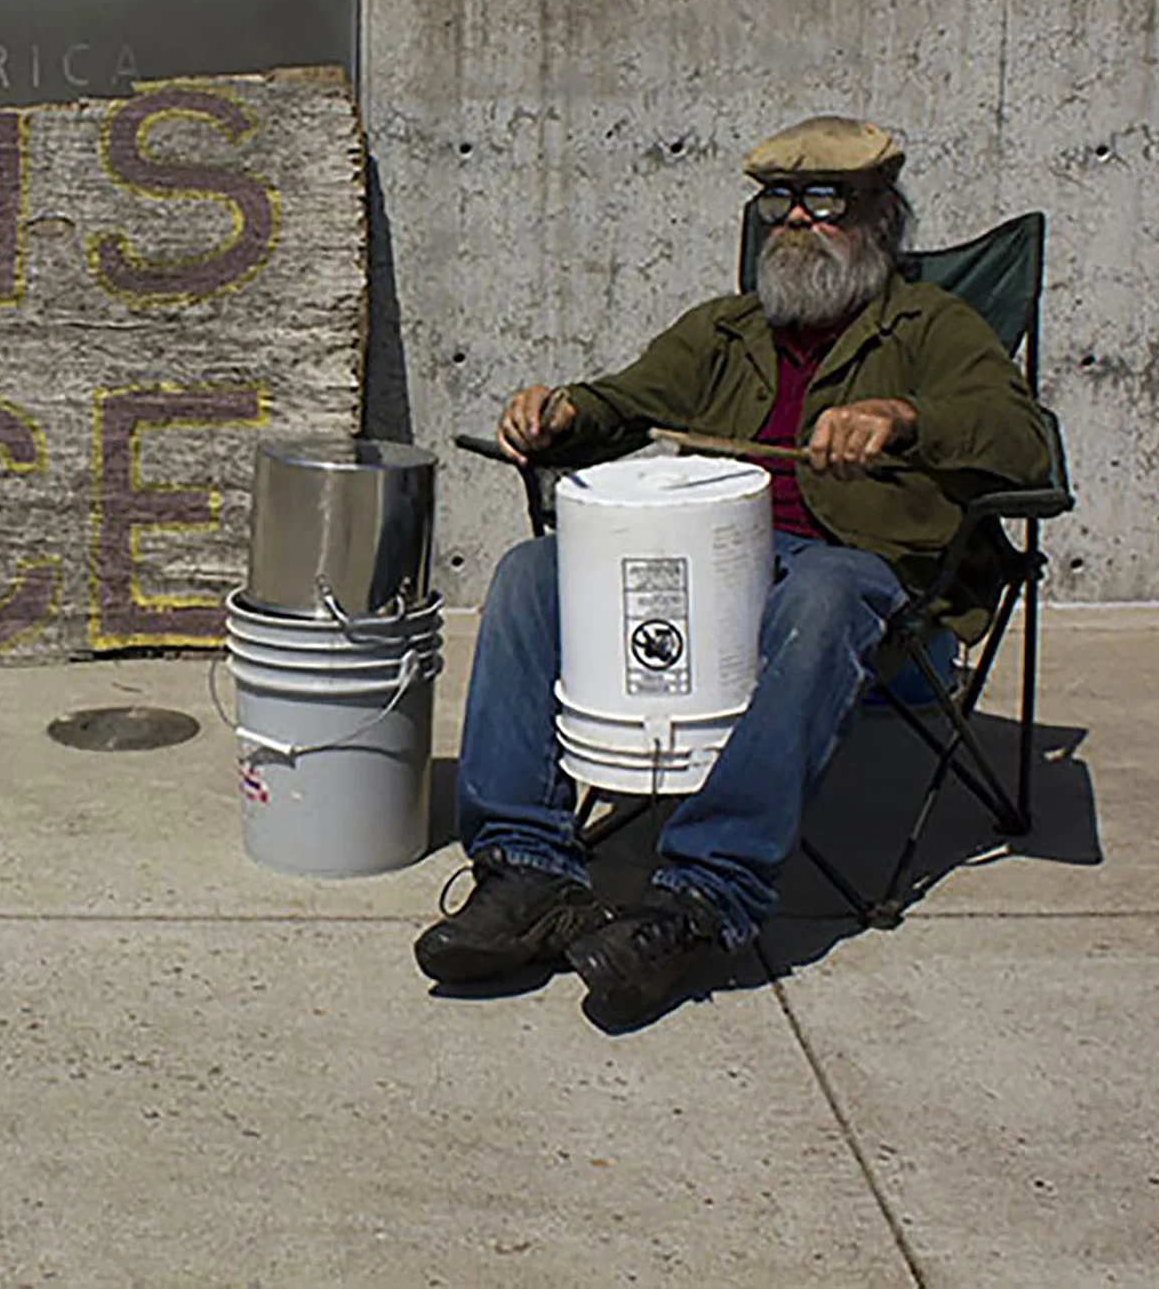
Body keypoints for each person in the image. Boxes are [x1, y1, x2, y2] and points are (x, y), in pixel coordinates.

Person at [417, 115, 1052, 1030]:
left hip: (854, 566)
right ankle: (528, 870)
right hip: (703, 560)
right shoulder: (727, 329)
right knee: (532, 572)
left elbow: (1026, 444)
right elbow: (621, 403)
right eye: (778, 204)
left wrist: (905, 417)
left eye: (824, 202)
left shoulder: (934, 329)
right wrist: (558, 413)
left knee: (829, 593)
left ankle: (701, 898)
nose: (795, 223)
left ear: (881, 216)